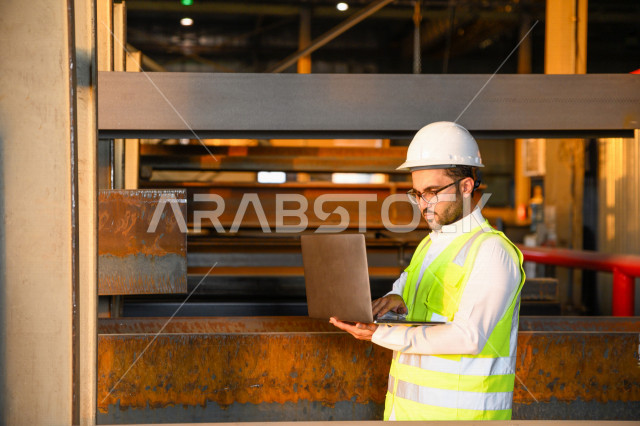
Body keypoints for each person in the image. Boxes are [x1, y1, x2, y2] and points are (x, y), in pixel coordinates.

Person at [330, 121, 525, 421]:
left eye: (432, 191)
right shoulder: (429, 246)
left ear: (466, 186)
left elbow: (468, 337)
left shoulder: (492, 252)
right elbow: (405, 295)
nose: (423, 204)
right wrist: (392, 304)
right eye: (418, 193)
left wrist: (379, 334)